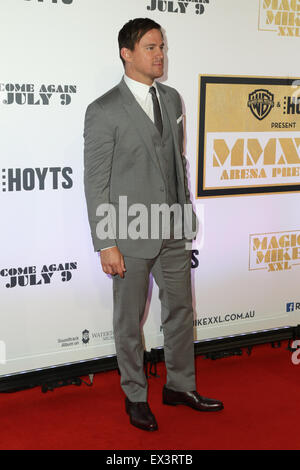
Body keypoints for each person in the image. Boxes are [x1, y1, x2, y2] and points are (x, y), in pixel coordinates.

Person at [84, 18, 223, 432]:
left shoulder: (174, 99)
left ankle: (180, 385)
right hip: (127, 233)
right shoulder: (104, 109)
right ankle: (135, 395)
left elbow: (177, 162)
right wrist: (105, 242)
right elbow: (97, 182)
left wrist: (186, 212)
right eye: (150, 47)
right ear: (127, 53)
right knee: (129, 321)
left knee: (180, 310)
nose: (160, 54)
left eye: (162, 47)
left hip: (173, 228)